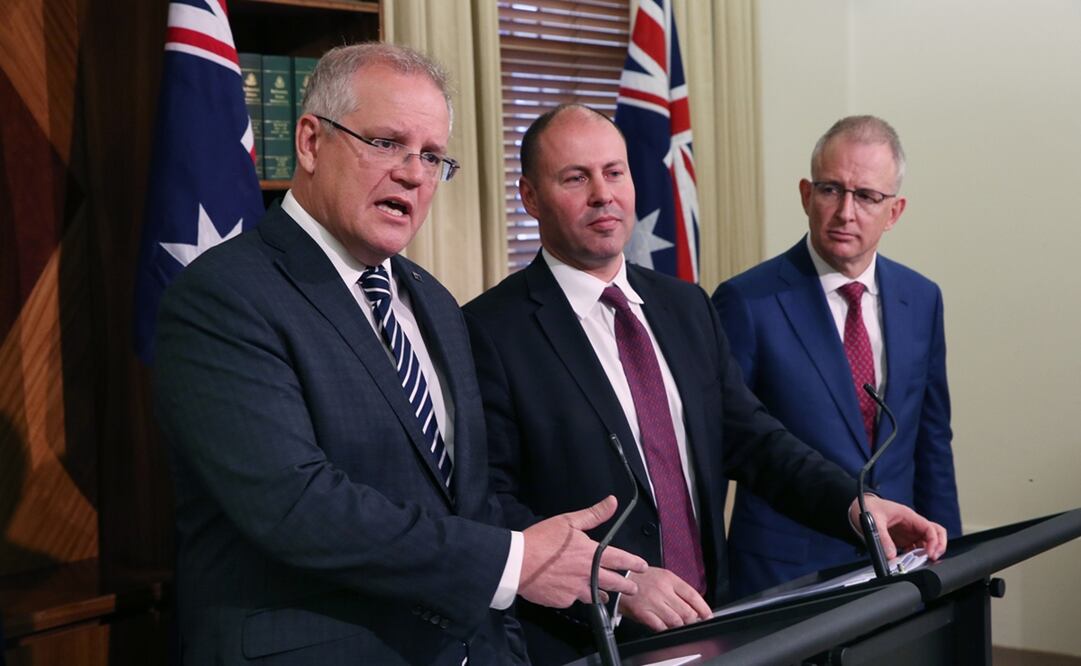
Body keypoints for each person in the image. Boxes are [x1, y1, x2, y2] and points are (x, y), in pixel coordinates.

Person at [154, 45, 647, 665]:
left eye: (433, 156)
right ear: (310, 141)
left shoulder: (435, 302)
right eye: (387, 143)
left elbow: (468, 500)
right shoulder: (223, 296)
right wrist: (515, 561)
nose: (414, 174)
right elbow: (295, 506)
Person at [463, 104, 948, 665]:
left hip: (709, 622)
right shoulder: (489, 329)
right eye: (576, 177)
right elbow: (490, 503)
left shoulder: (684, 305)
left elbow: (755, 440)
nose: (603, 194)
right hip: (585, 640)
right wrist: (616, 584)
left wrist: (857, 505)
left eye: (614, 172)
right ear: (529, 197)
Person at [711, 115, 961, 598]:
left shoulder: (921, 298)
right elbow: (723, 445)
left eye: (867, 196)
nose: (846, 211)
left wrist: (952, 564)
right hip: (783, 574)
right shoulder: (747, 301)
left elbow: (932, 441)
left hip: (898, 561)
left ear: (894, 211)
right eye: (831, 190)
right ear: (806, 195)